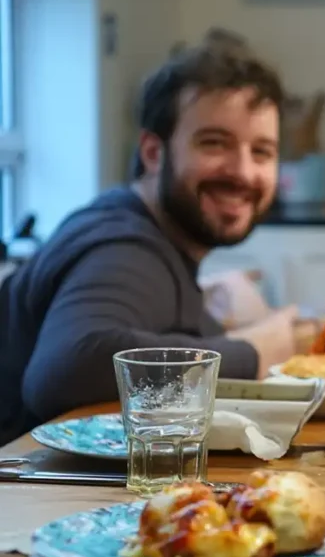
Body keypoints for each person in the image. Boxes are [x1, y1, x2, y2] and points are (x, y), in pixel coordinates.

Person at [0, 42, 301, 446]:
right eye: (214, 142)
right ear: (154, 152)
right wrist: (256, 349)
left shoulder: (148, 236)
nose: (243, 172)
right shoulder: (127, 248)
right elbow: (65, 368)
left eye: (261, 151)